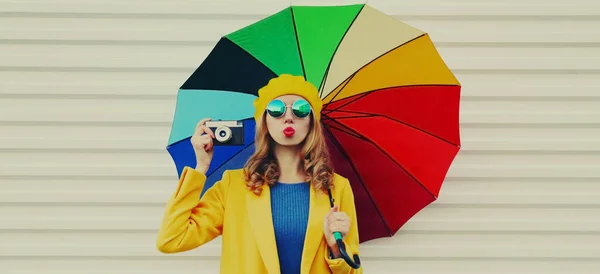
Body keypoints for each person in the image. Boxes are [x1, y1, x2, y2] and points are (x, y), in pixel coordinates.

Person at [156, 74, 363, 274]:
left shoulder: (335, 188)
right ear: (264, 121)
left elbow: (354, 271)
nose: (289, 117)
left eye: (301, 109)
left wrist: (336, 250)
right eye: (276, 109)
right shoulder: (233, 186)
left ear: (312, 122)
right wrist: (200, 167)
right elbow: (172, 238)